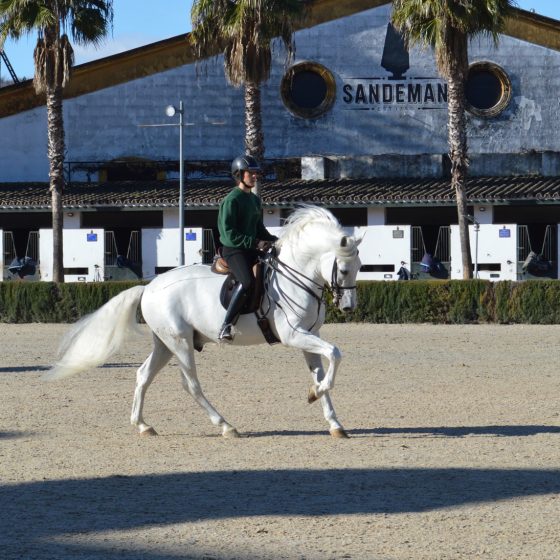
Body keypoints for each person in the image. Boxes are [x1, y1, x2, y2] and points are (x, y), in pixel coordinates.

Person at [217, 154, 278, 341]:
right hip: (234, 249)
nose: (255, 176)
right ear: (239, 174)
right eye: (250, 173)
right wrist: (255, 243)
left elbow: (258, 228)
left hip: (251, 249)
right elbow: (228, 233)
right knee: (247, 282)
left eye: (256, 173)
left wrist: (274, 240)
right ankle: (226, 325)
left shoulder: (254, 200)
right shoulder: (231, 200)